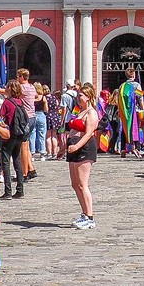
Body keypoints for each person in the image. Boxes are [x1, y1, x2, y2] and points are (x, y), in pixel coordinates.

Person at [64, 84, 100, 228]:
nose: (78, 98)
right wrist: (63, 148)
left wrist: (77, 146)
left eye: (81, 96)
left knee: (82, 184)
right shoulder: (80, 112)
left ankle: (90, 216)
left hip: (84, 148)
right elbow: (72, 130)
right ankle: (84, 213)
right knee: (75, 184)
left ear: (88, 97)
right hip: (73, 148)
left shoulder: (91, 113)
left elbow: (88, 133)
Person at [0, 80, 31, 200]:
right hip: (19, 134)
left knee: (5, 162)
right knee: (17, 161)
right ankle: (20, 190)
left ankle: (8, 191)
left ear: (10, 88)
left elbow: (1, 117)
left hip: (9, 134)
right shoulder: (20, 102)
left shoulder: (7, 102)